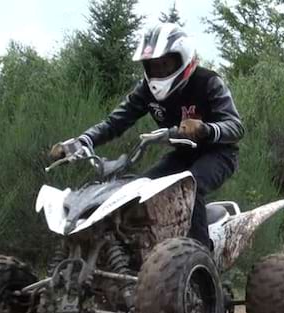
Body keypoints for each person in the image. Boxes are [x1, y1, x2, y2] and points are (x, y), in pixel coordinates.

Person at [49, 23, 244, 250]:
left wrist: (205, 129)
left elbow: (236, 127)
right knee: (140, 191)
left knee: (190, 187)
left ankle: (200, 261)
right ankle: (146, 257)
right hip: (182, 155)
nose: (159, 71)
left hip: (219, 154)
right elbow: (114, 123)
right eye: (153, 65)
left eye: (165, 64)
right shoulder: (145, 91)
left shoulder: (208, 81)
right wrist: (81, 142)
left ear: (183, 59)